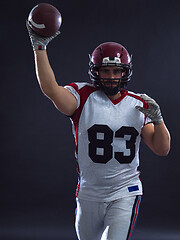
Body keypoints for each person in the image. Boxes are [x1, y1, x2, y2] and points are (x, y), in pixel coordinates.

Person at [27, 22, 171, 240]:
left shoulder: (138, 104)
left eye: (116, 70)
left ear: (125, 72)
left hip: (125, 191)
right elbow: (51, 90)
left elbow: (162, 149)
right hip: (88, 193)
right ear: (96, 71)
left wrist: (158, 120)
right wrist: (40, 48)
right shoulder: (82, 96)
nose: (111, 76)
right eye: (105, 70)